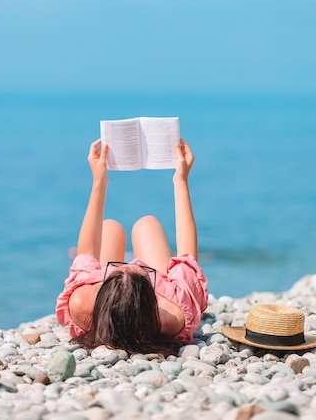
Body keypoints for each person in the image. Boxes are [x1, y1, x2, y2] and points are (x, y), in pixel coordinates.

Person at [56, 138, 208, 356]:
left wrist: (99, 180)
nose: (132, 263)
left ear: (101, 297)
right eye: (141, 271)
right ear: (153, 301)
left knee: (109, 227)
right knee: (147, 224)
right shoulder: (174, 312)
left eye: (116, 270)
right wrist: (181, 180)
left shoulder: (81, 303)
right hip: (149, 304)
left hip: (120, 304)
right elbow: (187, 256)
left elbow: (86, 251)